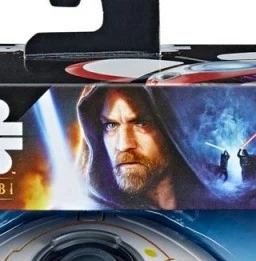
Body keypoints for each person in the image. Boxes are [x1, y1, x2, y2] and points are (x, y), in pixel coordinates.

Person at [77, 86, 208, 209]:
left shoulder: (213, 201)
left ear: (172, 128)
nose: (124, 145)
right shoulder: (94, 215)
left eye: (141, 123)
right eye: (111, 125)